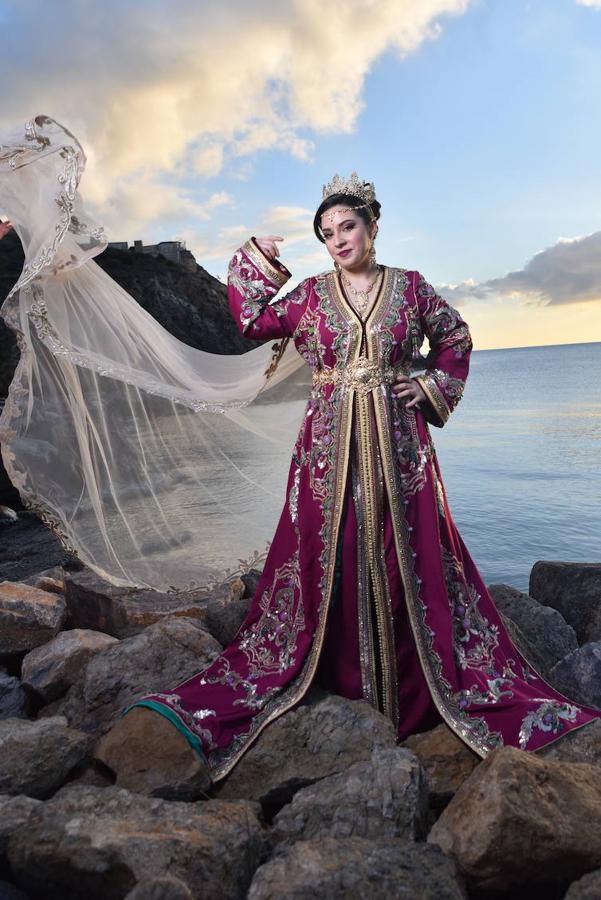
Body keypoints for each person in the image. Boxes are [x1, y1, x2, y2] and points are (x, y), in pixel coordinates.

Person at [1, 118, 599, 786]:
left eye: (345, 227)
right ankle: (334, 669)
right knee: (326, 543)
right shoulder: (310, 296)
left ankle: (418, 677)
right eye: (326, 233)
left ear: (370, 225)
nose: (337, 241)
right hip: (326, 445)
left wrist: (428, 383)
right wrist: (256, 259)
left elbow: (455, 339)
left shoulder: (413, 286)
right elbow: (252, 321)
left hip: (402, 447)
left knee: (409, 544)